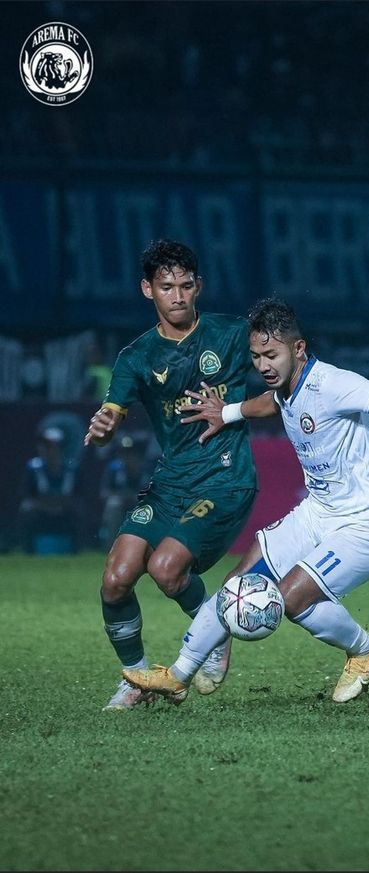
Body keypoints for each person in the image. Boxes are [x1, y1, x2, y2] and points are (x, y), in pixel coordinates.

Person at [122, 297, 369, 705]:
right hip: (319, 512)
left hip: (366, 522)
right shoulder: (286, 388)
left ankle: (364, 649)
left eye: (271, 354)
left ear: (298, 349)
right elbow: (270, 404)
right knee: (237, 583)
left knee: (292, 598)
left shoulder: (331, 383)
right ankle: (180, 674)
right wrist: (229, 412)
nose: (263, 365)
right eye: (256, 356)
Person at [84, 239, 258, 711]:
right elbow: (109, 419)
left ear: (198, 286)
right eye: (166, 287)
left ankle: (214, 630)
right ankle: (137, 679)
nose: (177, 296)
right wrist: (101, 430)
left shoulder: (232, 334)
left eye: (185, 286)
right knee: (116, 579)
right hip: (170, 483)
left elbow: (288, 370)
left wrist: (239, 409)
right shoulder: (136, 357)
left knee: (164, 568)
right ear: (148, 290)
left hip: (225, 478)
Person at [18, 426, 83, 554]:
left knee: (79, 511)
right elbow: (27, 495)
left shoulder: (72, 469)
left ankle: (77, 550)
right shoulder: (33, 468)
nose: (47, 451)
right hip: (40, 508)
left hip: (65, 509)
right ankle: (28, 551)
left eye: (52, 447)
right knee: (26, 509)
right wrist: (47, 506)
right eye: (44, 446)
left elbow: (78, 496)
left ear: (61, 449)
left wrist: (60, 505)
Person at [97, 433, 151, 549]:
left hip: (143, 505)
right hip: (120, 503)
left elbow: (157, 493)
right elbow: (104, 493)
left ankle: (147, 547)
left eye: (131, 453)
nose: (127, 457)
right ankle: (111, 547)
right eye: (124, 453)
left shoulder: (147, 470)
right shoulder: (114, 469)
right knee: (113, 505)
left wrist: (136, 497)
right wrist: (122, 496)